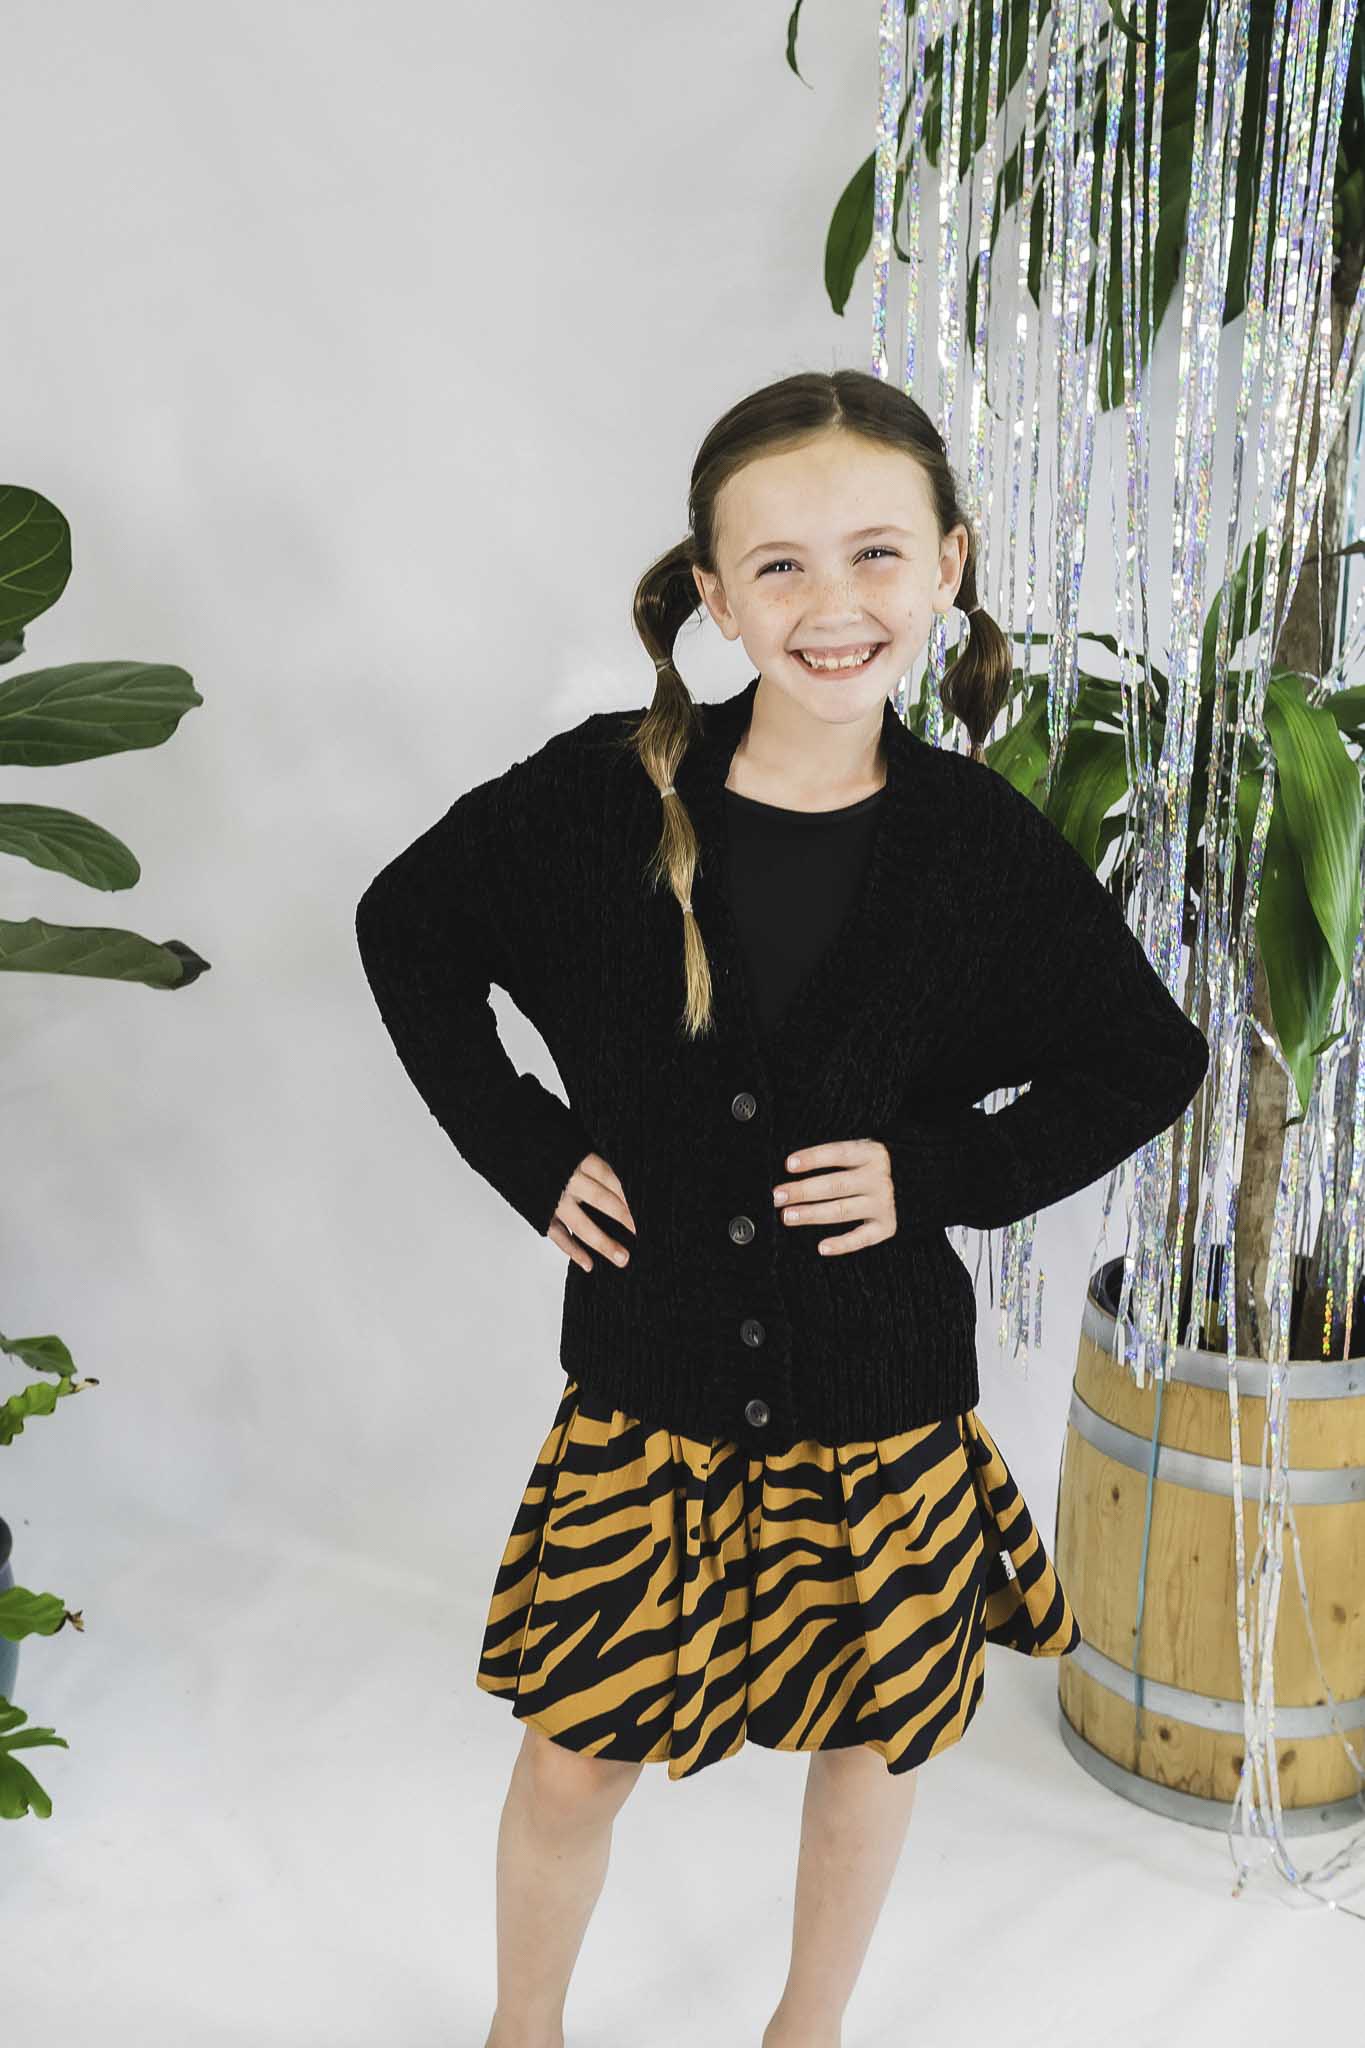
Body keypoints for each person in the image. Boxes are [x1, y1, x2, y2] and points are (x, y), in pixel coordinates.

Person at [354, 367, 1210, 2048]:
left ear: (947, 566)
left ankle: (803, 2030)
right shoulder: (603, 798)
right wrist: (523, 1146)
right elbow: (408, 926)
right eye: (781, 566)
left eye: (877, 553)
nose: (834, 605)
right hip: (649, 1390)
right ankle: (521, 2031)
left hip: (882, 1398)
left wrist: (937, 1173)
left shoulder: (975, 849)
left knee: (873, 1741)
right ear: (714, 593)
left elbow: (1143, 1058)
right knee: (574, 1753)